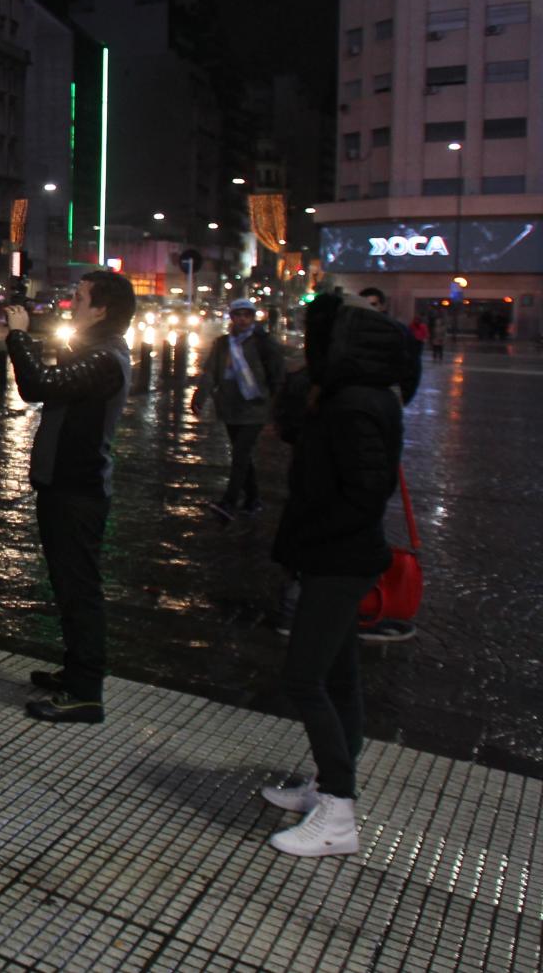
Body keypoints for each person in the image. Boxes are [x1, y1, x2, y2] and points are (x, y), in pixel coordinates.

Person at [256, 292, 410, 856]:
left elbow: (365, 491)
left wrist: (314, 539)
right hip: (335, 555)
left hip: (338, 560)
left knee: (305, 679)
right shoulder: (353, 398)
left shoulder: (357, 404)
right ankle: (327, 785)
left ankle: (339, 813)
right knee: (340, 677)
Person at [4, 270, 136, 724]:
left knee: (80, 589)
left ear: (101, 309)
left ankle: (85, 692)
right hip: (66, 485)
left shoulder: (105, 359)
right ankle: (76, 672)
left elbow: (37, 386)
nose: (71, 305)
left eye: (79, 299)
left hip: (77, 490)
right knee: (67, 584)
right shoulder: (95, 352)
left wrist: (17, 338)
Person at [192, 298, 285, 520]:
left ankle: (229, 502)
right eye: (238, 315)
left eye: (247, 315)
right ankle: (253, 500)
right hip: (230, 406)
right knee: (242, 456)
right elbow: (211, 372)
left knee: (241, 454)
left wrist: (275, 407)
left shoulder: (264, 343)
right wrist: (200, 396)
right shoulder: (223, 343)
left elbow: (277, 376)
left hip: (255, 408)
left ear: (253, 318)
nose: (242, 319)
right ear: (232, 317)